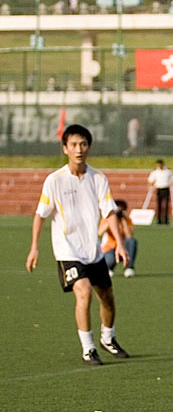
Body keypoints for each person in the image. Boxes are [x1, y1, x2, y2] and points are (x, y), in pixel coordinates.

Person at [25, 124, 130, 365]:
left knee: (108, 298)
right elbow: (40, 215)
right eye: (73, 145)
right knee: (83, 293)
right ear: (65, 149)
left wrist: (120, 244)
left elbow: (110, 212)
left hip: (92, 251)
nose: (78, 149)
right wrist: (34, 247)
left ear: (89, 147)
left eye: (83, 144)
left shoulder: (98, 178)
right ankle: (88, 348)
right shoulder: (54, 181)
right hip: (67, 250)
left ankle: (108, 338)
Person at [99, 199, 138, 278]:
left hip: (123, 247)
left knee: (132, 241)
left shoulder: (127, 220)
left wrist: (123, 220)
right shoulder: (106, 219)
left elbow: (129, 236)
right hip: (110, 248)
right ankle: (109, 268)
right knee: (109, 261)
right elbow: (99, 232)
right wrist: (111, 221)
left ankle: (129, 267)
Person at [148, 159, 173, 224]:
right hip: (159, 188)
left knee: (166, 205)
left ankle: (166, 219)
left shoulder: (168, 171)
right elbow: (151, 180)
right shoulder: (155, 172)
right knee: (159, 204)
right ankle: (159, 219)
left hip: (166, 188)